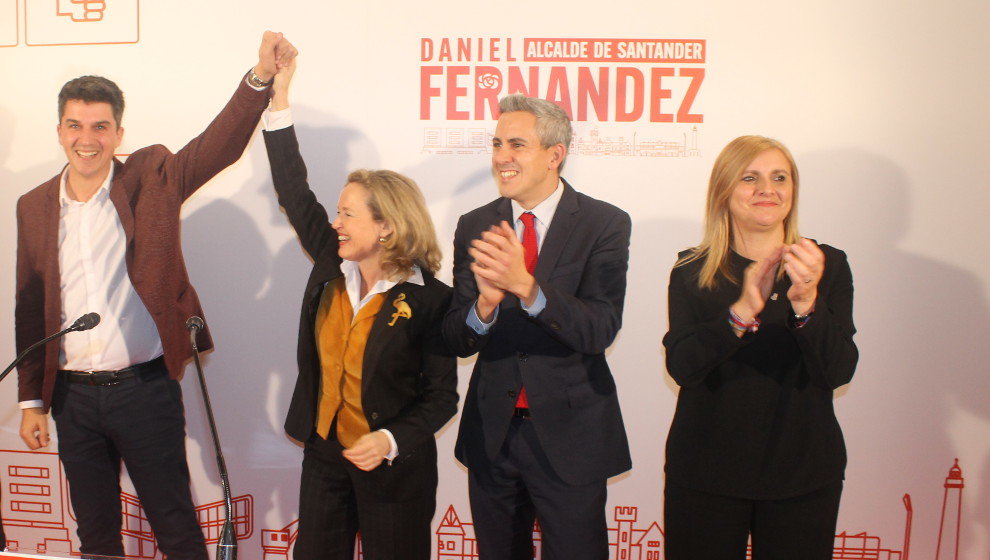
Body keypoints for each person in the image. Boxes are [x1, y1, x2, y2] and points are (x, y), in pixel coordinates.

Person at [14, 31, 297, 559]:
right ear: (59, 131)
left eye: (100, 126)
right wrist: (33, 401)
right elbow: (30, 307)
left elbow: (217, 146)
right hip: (72, 399)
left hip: (143, 391)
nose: (87, 138)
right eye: (75, 125)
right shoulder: (33, 206)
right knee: (95, 534)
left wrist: (259, 79)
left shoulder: (152, 178)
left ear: (119, 131)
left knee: (175, 527)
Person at [260, 59, 457, 560]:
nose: (337, 222)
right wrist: (278, 96)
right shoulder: (331, 262)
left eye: (348, 213)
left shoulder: (431, 299)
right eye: (338, 211)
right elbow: (292, 189)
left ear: (386, 226)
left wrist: (390, 439)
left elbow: (441, 398)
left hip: (394, 470)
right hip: (325, 457)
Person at [443, 94, 632, 559]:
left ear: (554, 155)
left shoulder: (603, 223)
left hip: (571, 437)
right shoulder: (475, 224)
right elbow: (455, 338)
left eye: (517, 145)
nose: (502, 157)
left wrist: (528, 289)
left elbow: (600, 327)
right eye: (497, 144)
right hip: (494, 436)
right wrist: (484, 306)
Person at [661, 135, 859, 559]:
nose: (767, 189)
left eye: (779, 177)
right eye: (750, 178)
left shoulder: (828, 266)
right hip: (705, 475)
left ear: (793, 191)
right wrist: (743, 310)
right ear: (724, 193)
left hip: (803, 475)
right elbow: (683, 367)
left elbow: (838, 370)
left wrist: (806, 303)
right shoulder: (691, 271)